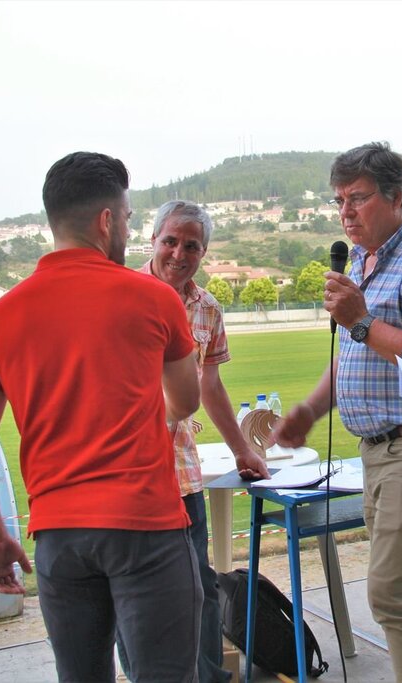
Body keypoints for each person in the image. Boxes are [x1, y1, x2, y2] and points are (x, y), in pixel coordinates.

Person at [0, 152, 203, 682]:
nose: (129, 229)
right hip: (146, 527)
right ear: (107, 221)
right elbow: (186, 401)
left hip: (58, 534)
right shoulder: (156, 298)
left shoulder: (0, 316)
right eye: (130, 218)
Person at [272, 142, 402, 682]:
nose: (345, 211)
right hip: (378, 451)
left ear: (397, 196)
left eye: (357, 198)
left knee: (392, 592)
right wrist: (311, 410)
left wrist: (361, 319)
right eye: (339, 200)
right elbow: (354, 359)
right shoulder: (364, 261)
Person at [115, 200, 270, 683]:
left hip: (181, 473)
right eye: (170, 241)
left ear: (204, 251)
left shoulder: (207, 307)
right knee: (132, 596)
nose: (179, 253)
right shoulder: (121, 294)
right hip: (127, 474)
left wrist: (244, 449)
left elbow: (211, 386)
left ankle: (206, 677)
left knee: (198, 588)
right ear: (152, 239)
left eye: (192, 245)